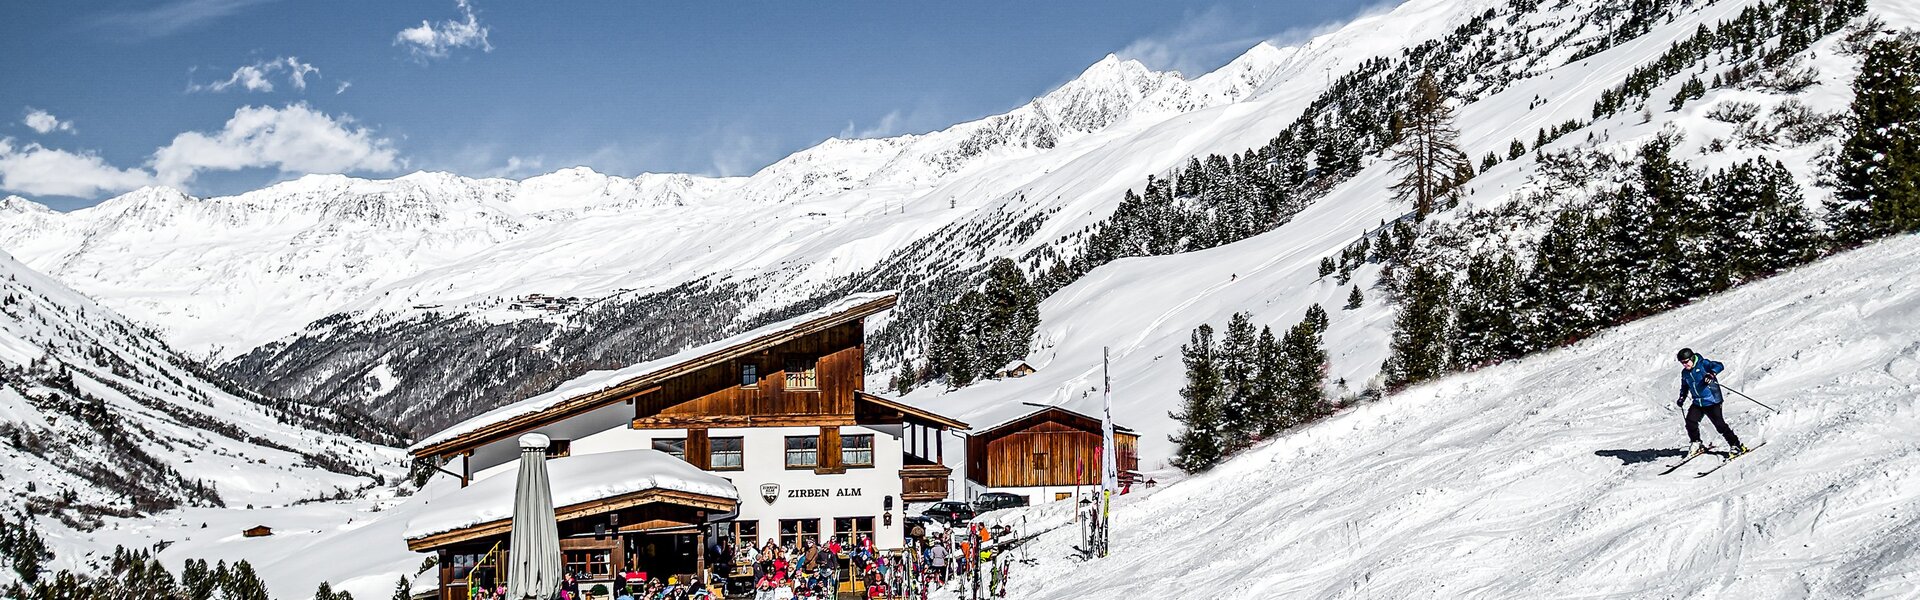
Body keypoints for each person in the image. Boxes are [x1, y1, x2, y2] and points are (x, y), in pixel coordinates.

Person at [1675, 348, 1748, 457]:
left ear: (1692, 358)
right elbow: (1684, 386)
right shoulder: (1685, 373)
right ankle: (1696, 443)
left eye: (1686, 362)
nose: (1684, 365)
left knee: (1720, 425)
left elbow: (1719, 365)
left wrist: (1711, 374)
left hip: (1712, 400)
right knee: (1690, 422)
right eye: (1682, 363)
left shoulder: (1703, 364)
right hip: (1698, 402)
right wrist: (1682, 397)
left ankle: (1736, 446)